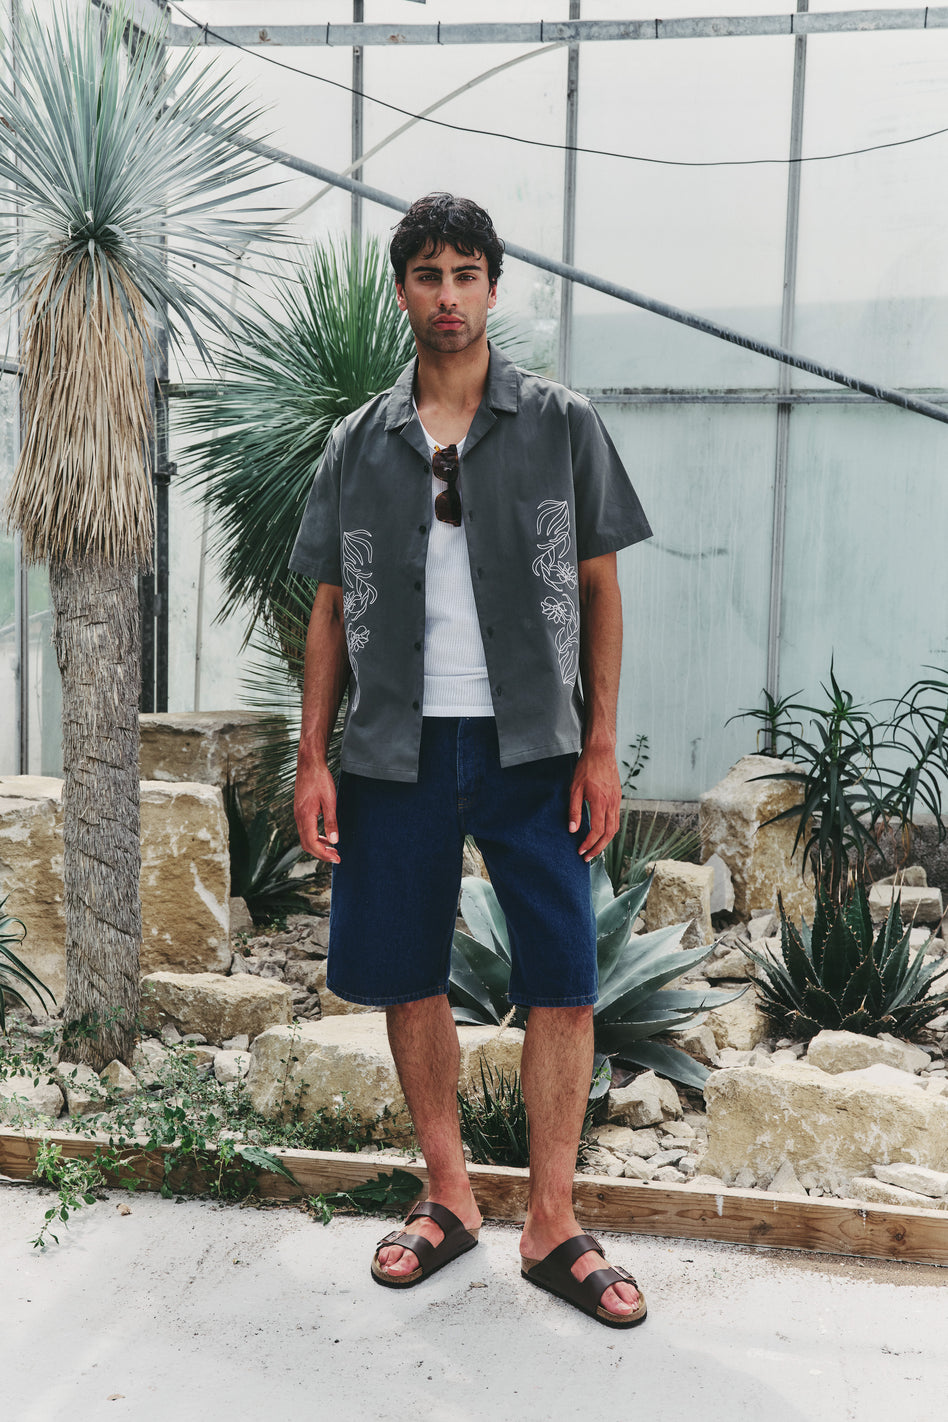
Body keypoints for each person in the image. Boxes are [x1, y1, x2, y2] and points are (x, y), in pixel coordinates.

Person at [290, 193, 652, 1328]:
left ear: (494, 285)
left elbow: (600, 588)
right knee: (407, 973)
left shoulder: (561, 424)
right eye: (426, 274)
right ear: (402, 289)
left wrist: (600, 744)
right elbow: (328, 606)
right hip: (393, 748)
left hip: (533, 746)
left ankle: (553, 1221)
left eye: (465, 273)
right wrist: (312, 757)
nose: (447, 295)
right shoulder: (357, 442)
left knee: (564, 979)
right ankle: (447, 1196)